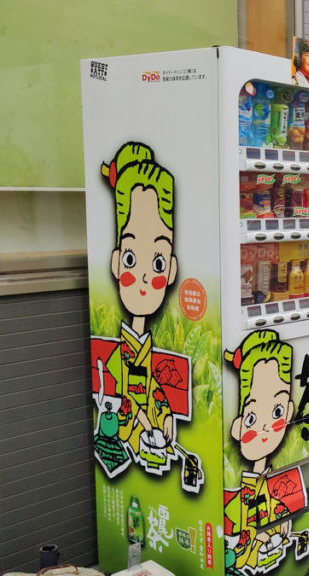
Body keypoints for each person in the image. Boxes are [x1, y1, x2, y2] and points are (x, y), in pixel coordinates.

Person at [92, 142, 187, 478]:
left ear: (171, 270)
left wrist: (166, 415)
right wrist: (150, 421)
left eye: (157, 262)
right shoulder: (123, 352)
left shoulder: (143, 346)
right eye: (132, 258)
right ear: (117, 262)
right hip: (129, 443)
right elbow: (126, 394)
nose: (146, 277)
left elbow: (150, 387)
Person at [223, 330, 309, 575]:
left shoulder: (274, 483)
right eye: (251, 418)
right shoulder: (239, 495)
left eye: (276, 412)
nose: (264, 428)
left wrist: (283, 524)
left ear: (289, 411)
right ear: (238, 426)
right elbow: (236, 526)